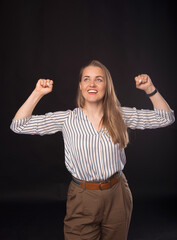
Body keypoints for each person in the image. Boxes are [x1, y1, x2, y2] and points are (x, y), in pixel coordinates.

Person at [10, 60, 175, 240]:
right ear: (80, 85)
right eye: (86, 79)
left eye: (99, 79)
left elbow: (165, 118)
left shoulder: (120, 115)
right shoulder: (67, 119)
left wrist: (149, 89)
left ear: (107, 85)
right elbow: (19, 125)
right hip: (82, 197)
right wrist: (38, 93)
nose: (92, 84)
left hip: (117, 194)